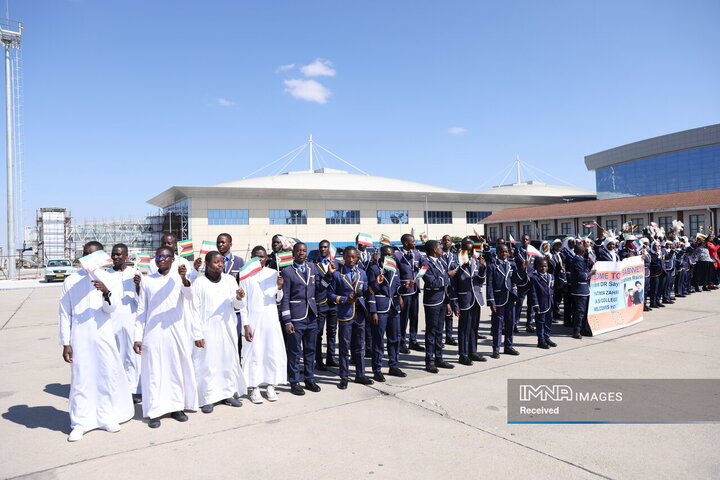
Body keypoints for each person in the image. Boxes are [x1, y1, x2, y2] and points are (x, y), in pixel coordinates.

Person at [59, 241, 133, 442]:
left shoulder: (110, 277)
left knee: (105, 375)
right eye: (85, 254)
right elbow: (65, 313)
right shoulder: (71, 280)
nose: (88, 259)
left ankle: (106, 416)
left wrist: (106, 292)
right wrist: (66, 342)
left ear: (101, 256)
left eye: (92, 255)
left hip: (103, 335)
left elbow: (111, 308)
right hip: (80, 337)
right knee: (82, 380)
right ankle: (80, 423)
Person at [134, 246, 198, 428]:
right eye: (158, 256)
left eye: (165, 256)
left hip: (175, 332)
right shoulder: (147, 281)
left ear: (172, 259)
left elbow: (189, 296)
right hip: (153, 334)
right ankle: (154, 411)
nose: (161, 259)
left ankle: (177, 407)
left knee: (175, 370)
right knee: (154, 372)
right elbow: (141, 311)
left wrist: (184, 279)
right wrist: (137, 337)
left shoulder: (179, 279)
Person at [190, 251, 245, 413]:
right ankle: (207, 398)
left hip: (226, 329)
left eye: (222, 262)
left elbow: (237, 306)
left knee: (226, 362)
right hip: (206, 331)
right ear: (207, 264)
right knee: (207, 365)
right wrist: (197, 334)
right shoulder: (199, 283)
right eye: (216, 262)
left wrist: (239, 298)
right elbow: (193, 310)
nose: (221, 264)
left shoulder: (229, 280)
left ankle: (227, 394)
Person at [240, 246, 288, 403]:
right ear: (251, 258)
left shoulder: (273, 274)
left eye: (262, 257)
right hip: (253, 319)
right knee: (254, 353)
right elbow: (243, 303)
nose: (259, 259)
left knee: (271, 352)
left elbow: (278, 299)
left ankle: (270, 385)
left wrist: (279, 287)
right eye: (256, 256)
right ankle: (254, 388)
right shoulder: (245, 275)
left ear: (267, 258)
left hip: (271, 319)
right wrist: (245, 324)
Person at [280, 242, 329, 395]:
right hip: (296, 317)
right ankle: (294, 382)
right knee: (295, 351)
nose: (302, 253)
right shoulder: (287, 271)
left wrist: (329, 276)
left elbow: (321, 287)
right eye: (299, 251)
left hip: (312, 315)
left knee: (310, 350)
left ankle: (309, 379)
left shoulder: (312, 268)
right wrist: (287, 320)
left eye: (304, 250)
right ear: (293, 253)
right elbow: (285, 298)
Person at [328, 246, 375, 388]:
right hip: (345, 315)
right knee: (344, 347)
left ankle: (360, 374)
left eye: (353, 257)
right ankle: (344, 377)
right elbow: (330, 295)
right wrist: (343, 299)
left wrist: (376, 285)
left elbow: (367, 292)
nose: (350, 259)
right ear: (344, 258)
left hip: (360, 314)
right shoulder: (337, 274)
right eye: (347, 257)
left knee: (360, 346)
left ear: (357, 258)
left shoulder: (362, 273)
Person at [107, 243, 142, 404]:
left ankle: (135, 389)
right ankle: (119, 388)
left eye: (119, 254)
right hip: (113, 320)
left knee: (133, 355)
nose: (115, 257)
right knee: (116, 355)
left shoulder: (134, 273)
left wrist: (137, 285)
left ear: (126, 256)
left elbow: (141, 299)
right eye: (113, 254)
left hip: (130, 318)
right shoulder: (106, 274)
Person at [367, 245, 406, 380]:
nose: (389, 258)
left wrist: (404, 289)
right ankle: (377, 369)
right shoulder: (374, 269)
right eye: (386, 255)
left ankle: (393, 365)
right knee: (378, 341)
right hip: (380, 308)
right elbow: (370, 292)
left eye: (391, 255)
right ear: (381, 255)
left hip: (394, 308)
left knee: (395, 339)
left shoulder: (395, 269)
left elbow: (396, 288)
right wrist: (373, 312)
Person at [421, 240, 457, 373]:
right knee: (431, 332)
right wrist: (448, 275)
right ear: (434, 250)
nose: (441, 249)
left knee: (439, 331)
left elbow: (445, 285)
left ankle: (439, 358)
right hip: (432, 302)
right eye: (439, 247)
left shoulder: (441, 261)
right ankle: (429, 361)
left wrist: (448, 303)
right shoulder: (425, 264)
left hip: (442, 300)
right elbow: (432, 282)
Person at [451, 237, 487, 365]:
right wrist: (455, 304)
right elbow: (453, 286)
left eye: (472, 250)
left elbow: (480, 281)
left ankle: (473, 352)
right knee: (464, 329)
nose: (470, 253)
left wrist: (482, 269)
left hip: (476, 299)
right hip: (464, 300)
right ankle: (463, 354)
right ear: (462, 250)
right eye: (467, 250)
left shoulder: (477, 262)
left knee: (473, 327)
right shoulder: (456, 264)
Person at [486, 244, 525, 358]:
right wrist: (491, 301)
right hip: (498, 299)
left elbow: (516, 279)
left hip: (510, 297)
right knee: (498, 324)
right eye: (502, 252)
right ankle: (496, 348)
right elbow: (489, 285)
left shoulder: (511, 264)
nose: (504, 254)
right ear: (497, 252)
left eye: (506, 252)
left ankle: (508, 346)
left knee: (510, 322)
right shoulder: (493, 266)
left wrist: (522, 269)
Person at [216, 233, 246, 359]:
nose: (220, 245)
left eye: (223, 242)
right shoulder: (213, 260)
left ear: (230, 244)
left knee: (236, 340)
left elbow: (242, 283)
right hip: (218, 307)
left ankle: (236, 366)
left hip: (235, 308)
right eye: (218, 242)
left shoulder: (239, 261)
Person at [394, 234, 424, 353]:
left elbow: (425, 265)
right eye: (413, 241)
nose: (415, 243)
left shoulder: (416, 253)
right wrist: (399, 293)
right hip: (404, 291)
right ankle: (401, 342)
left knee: (414, 317)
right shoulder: (397, 255)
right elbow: (395, 276)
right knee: (403, 318)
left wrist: (418, 277)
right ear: (406, 243)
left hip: (415, 290)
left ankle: (413, 340)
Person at [315, 240, 339, 371]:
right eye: (321, 247)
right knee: (318, 333)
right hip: (320, 303)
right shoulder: (314, 265)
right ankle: (318, 360)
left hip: (333, 303)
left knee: (332, 332)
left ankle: (331, 357)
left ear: (329, 249)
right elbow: (319, 287)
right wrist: (329, 274)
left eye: (325, 247)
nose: (323, 249)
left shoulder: (336, 264)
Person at [528, 257, 559, 349]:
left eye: (545, 266)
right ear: (537, 267)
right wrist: (536, 305)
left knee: (548, 322)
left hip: (550, 303)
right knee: (540, 322)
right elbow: (533, 293)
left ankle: (547, 337)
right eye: (541, 266)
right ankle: (540, 340)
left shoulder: (550, 276)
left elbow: (552, 288)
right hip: (541, 304)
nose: (543, 268)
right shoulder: (534, 278)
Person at [569, 242, 596, 339]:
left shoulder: (579, 259)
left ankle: (582, 329)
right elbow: (581, 276)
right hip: (580, 289)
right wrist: (590, 273)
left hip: (582, 289)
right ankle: (577, 331)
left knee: (581, 311)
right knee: (580, 311)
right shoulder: (578, 260)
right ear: (582, 251)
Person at [513, 234, 536, 333]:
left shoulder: (533, 251)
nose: (525, 241)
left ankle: (529, 324)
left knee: (531, 304)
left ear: (529, 241)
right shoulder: (518, 251)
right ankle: (515, 324)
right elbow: (523, 264)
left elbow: (536, 262)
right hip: (522, 280)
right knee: (519, 303)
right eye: (523, 240)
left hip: (531, 280)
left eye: (526, 239)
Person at [439, 234, 458, 346]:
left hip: (452, 287)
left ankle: (449, 336)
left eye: (448, 240)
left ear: (451, 242)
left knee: (450, 313)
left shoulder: (454, 256)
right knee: (442, 313)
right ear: (441, 242)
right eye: (444, 240)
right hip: (441, 286)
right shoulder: (438, 255)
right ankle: (440, 337)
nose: (446, 242)